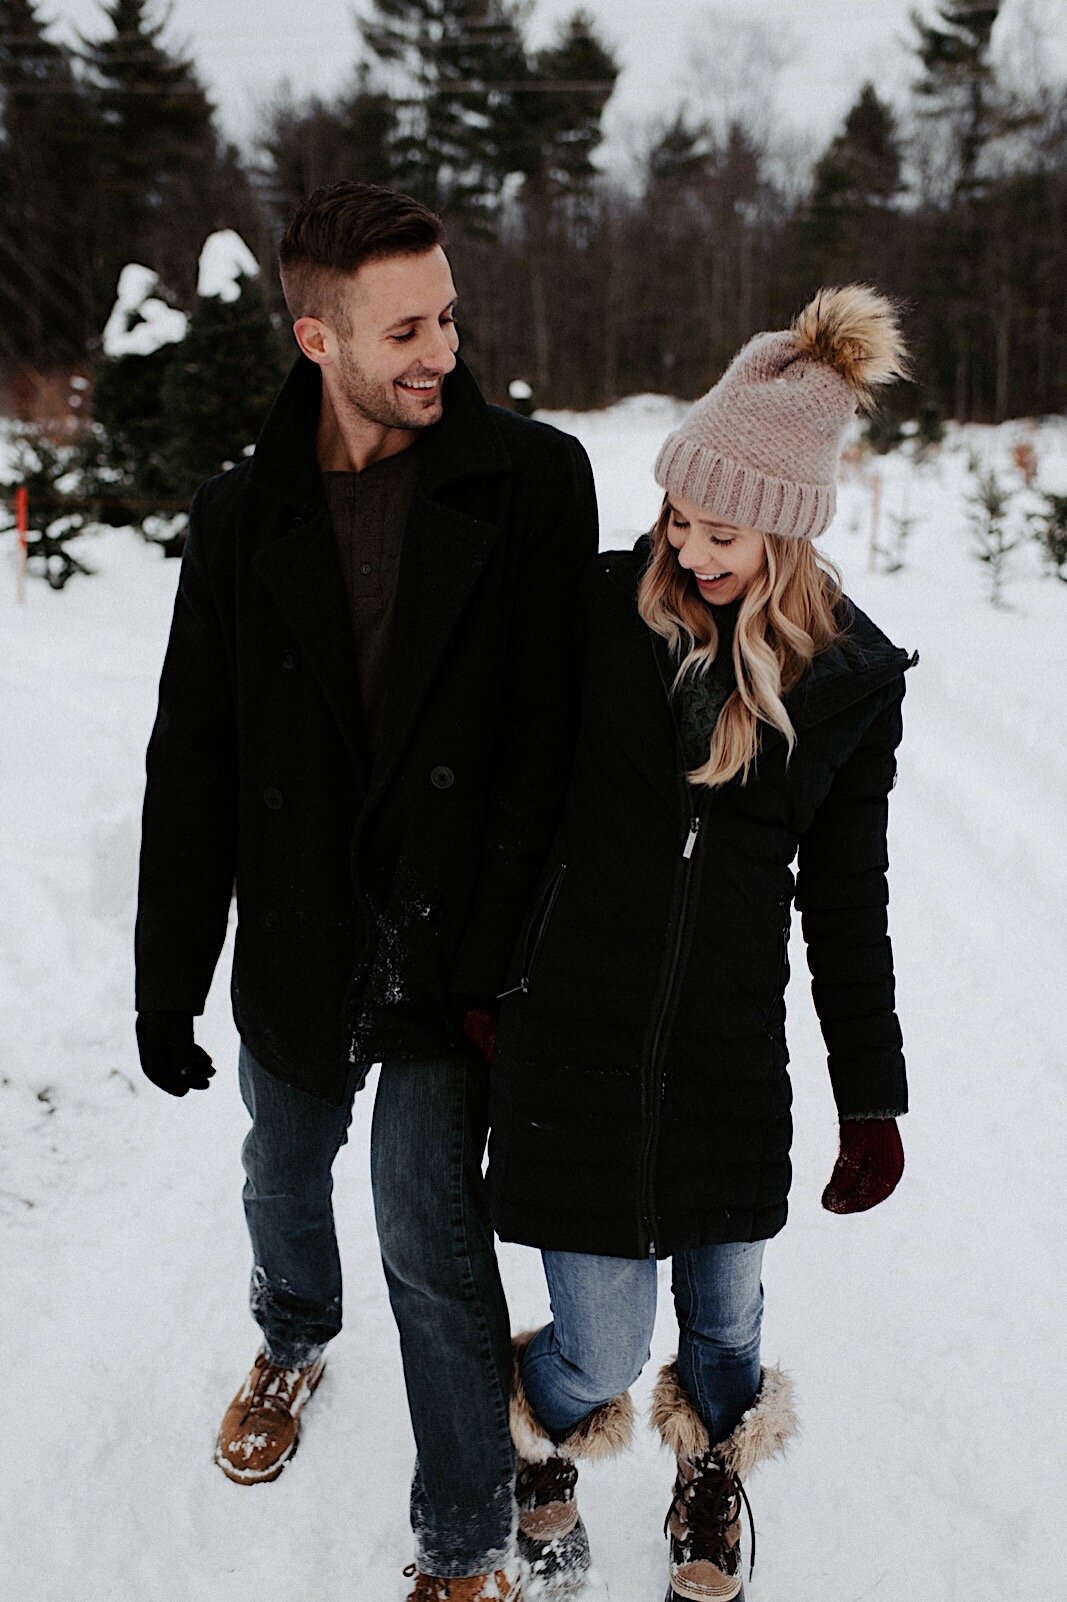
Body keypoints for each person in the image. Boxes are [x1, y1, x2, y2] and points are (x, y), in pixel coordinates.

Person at [133, 181, 598, 1602]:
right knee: (284, 1165)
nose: (443, 351)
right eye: (407, 327)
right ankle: (292, 1334)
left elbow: (550, 745)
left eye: (449, 315)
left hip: (451, 943)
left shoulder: (532, 482)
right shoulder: (236, 520)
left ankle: (463, 1544)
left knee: (423, 1223)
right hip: (295, 932)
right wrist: (166, 976)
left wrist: (510, 962)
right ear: (316, 335)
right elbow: (195, 761)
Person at [487, 286, 916, 1602]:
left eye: (721, 529)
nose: (689, 545)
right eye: (679, 515)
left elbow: (847, 908)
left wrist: (873, 1094)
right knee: (606, 1340)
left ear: (786, 530)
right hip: (577, 1044)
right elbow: (516, 807)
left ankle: (709, 1472)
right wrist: (485, 982)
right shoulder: (604, 617)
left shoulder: (845, 687)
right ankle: (530, 1424)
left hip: (728, 1056)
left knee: (726, 1331)